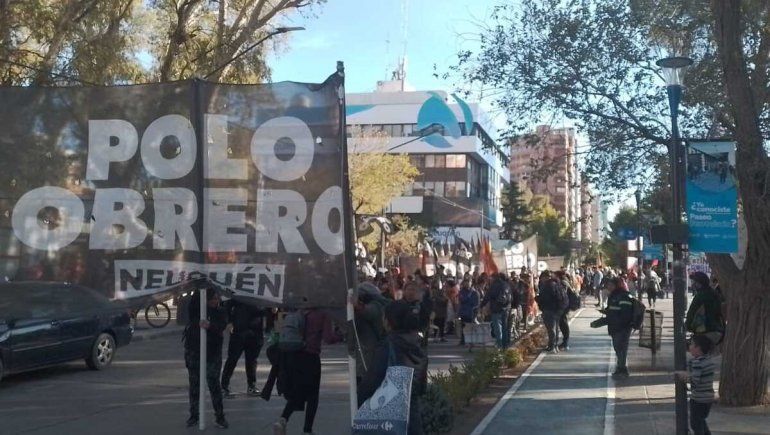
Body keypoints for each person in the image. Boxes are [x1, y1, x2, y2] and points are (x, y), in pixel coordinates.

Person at [359, 300, 428, 435]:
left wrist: (361, 402)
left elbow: (371, 381)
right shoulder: (417, 343)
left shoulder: (388, 345)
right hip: (413, 413)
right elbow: (421, 385)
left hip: (390, 417)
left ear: (389, 320)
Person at [273, 308, 340, 435]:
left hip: (295, 355)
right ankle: (307, 430)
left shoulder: (301, 311)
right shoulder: (322, 314)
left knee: (298, 391)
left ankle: (282, 419)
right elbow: (328, 338)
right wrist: (340, 336)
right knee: (313, 395)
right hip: (311, 357)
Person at [184, 288, 229, 428]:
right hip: (194, 352)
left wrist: (210, 326)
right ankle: (194, 416)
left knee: (214, 385)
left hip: (212, 354)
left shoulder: (220, 312)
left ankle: (220, 417)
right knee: (195, 386)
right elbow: (193, 302)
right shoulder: (197, 310)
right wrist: (200, 284)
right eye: (212, 299)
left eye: (217, 299)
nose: (215, 302)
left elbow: (221, 327)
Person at [352, 281, 389, 404]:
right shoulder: (380, 305)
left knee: (366, 395)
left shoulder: (375, 306)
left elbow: (367, 311)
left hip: (369, 357)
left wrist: (355, 304)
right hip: (366, 356)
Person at [220, 299, 265, 397]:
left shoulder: (261, 293)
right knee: (232, 359)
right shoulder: (242, 290)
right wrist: (229, 322)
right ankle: (224, 386)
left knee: (252, 360)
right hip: (239, 330)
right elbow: (228, 304)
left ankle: (251, 385)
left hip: (255, 330)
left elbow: (264, 310)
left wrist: (271, 310)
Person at [675, 335, 716, 435]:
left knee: (695, 423)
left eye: (692, 344)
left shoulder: (698, 363)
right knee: (701, 420)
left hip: (699, 399)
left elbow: (694, 381)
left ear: (698, 348)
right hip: (708, 398)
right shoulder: (708, 361)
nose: (689, 346)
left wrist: (683, 376)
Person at [604, 277, 634, 378]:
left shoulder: (624, 296)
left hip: (622, 327)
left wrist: (620, 324)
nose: (608, 286)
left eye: (610, 284)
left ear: (616, 285)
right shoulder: (613, 295)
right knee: (617, 348)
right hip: (615, 326)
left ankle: (622, 368)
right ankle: (620, 367)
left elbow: (626, 312)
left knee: (621, 348)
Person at [686, 272, 726, 346]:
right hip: (718, 330)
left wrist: (688, 327)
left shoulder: (700, 296)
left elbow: (691, 314)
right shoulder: (714, 293)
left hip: (704, 331)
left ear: (699, 283)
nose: (693, 284)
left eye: (694, 282)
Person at [536, 271, 568, 353]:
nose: (541, 279)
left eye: (542, 277)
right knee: (555, 328)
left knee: (551, 329)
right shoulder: (557, 283)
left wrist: (538, 299)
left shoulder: (548, 286)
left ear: (545, 277)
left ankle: (552, 346)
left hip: (549, 309)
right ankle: (555, 345)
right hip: (557, 309)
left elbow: (546, 298)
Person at [480, 273, 512, 348]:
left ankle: (499, 345)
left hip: (496, 309)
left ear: (494, 278)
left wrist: (482, 305)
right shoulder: (507, 285)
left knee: (498, 329)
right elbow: (511, 297)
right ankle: (505, 345)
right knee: (505, 327)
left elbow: (487, 296)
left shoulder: (494, 286)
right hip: (506, 309)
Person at [555, 270, 574, 351]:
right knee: (563, 323)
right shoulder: (565, 281)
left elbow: (563, 294)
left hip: (565, 306)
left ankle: (565, 342)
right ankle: (565, 342)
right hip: (566, 305)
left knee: (563, 323)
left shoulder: (563, 282)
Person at [457, 278, 480, 345]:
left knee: (471, 327)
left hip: (471, 312)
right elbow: (462, 300)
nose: (467, 284)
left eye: (468, 282)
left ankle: (472, 341)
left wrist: (476, 312)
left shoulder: (475, 292)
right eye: (465, 282)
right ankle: (463, 340)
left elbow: (477, 303)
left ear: (471, 283)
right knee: (463, 327)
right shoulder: (462, 291)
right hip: (464, 312)